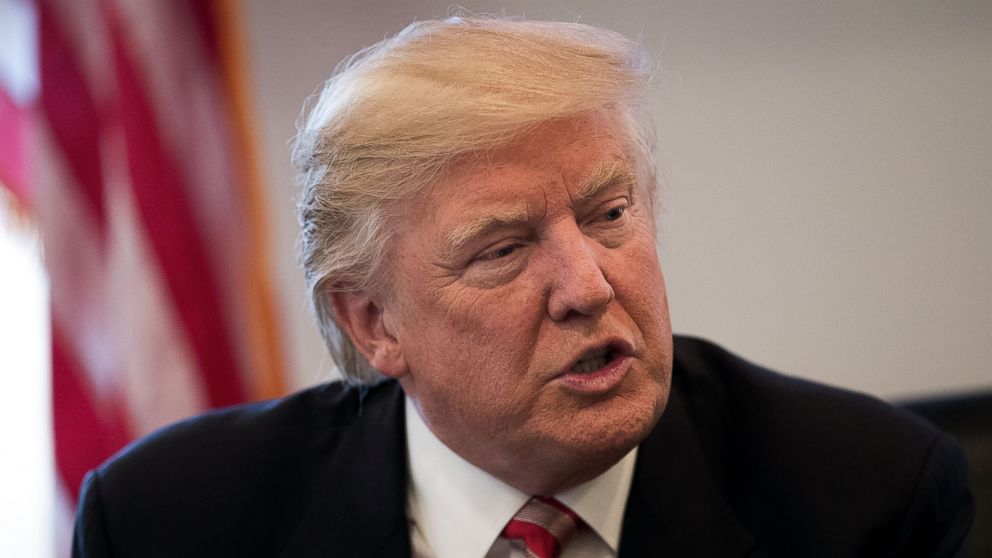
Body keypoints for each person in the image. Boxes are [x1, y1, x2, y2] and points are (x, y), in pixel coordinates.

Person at [72, 16, 972, 557]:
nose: (588, 286)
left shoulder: (866, 495)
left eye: (609, 214)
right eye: (502, 250)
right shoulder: (169, 523)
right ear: (373, 320)